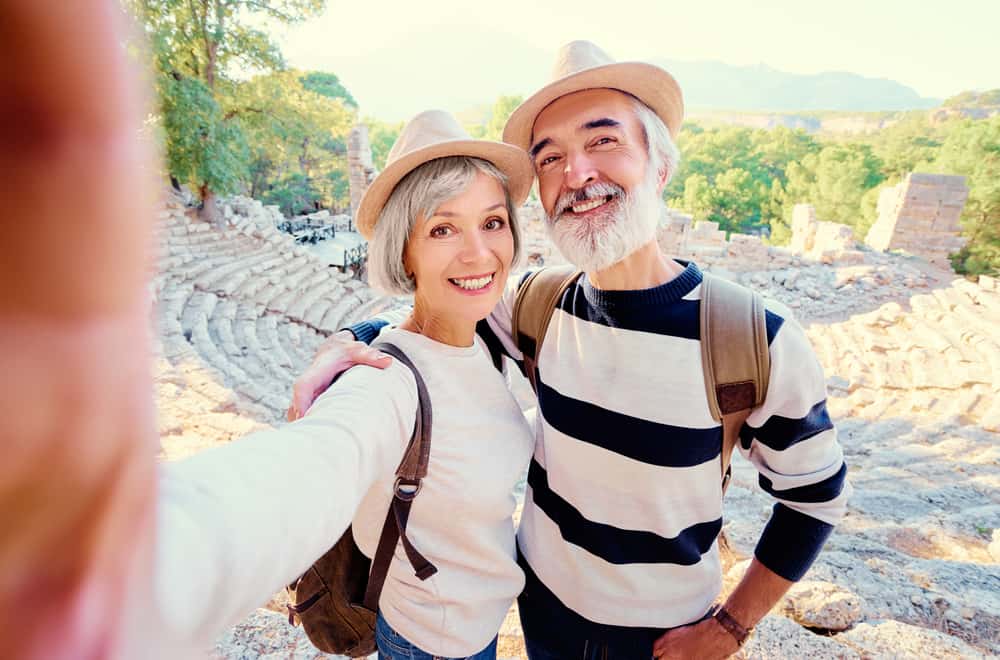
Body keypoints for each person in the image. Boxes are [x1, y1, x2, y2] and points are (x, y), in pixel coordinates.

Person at [0, 5, 538, 654]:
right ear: (406, 252)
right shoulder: (384, 384)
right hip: (430, 641)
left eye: (493, 222)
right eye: (443, 228)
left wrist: (353, 330)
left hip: (478, 624)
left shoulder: (489, 329)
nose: (479, 253)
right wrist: (120, 565)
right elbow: (299, 471)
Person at [289, 41, 852, 660]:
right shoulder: (536, 304)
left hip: (663, 637)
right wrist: (351, 342)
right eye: (550, 157)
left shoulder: (754, 337)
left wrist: (731, 626)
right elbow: (435, 309)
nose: (576, 174)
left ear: (659, 165)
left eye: (604, 141)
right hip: (543, 609)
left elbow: (814, 497)